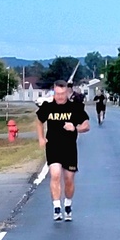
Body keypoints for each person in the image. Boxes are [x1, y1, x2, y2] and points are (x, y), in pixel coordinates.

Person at [36, 80, 91, 222]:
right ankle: (56, 207)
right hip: (53, 146)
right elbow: (39, 120)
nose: (59, 97)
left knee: (69, 179)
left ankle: (67, 204)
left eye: (62, 94)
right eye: (57, 94)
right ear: (54, 92)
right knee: (55, 174)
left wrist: (75, 128)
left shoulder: (75, 108)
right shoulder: (48, 107)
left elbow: (86, 125)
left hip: (69, 148)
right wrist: (41, 138)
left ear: (67, 92)